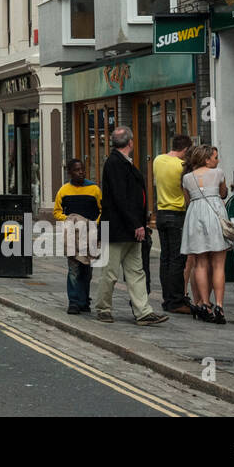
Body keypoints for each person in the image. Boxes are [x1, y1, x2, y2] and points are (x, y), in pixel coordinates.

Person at [97, 127, 167, 326]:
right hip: (117, 229)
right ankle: (103, 309)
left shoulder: (122, 162)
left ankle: (143, 312)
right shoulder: (114, 163)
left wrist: (140, 223)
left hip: (130, 229)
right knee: (109, 273)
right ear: (130, 143)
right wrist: (137, 224)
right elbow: (120, 198)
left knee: (136, 272)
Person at [180, 145, 231, 324]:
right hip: (215, 213)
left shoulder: (187, 178)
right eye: (215, 157)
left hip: (195, 215)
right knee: (219, 265)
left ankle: (205, 304)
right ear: (207, 159)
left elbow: (187, 200)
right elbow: (223, 193)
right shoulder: (218, 173)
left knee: (200, 263)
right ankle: (219, 306)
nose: (217, 160)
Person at [54, 159, 102, 315]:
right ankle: (73, 302)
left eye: (82, 169)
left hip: (90, 234)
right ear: (69, 172)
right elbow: (57, 212)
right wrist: (69, 220)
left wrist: (94, 223)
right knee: (74, 269)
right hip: (73, 235)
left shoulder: (94, 189)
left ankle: (84, 301)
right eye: (76, 170)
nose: (81, 172)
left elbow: (103, 209)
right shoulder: (64, 191)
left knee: (87, 270)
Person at [153, 134, 193, 315]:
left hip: (161, 213)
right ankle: (176, 301)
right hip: (177, 215)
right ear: (185, 150)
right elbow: (186, 193)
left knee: (165, 259)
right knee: (178, 260)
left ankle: (167, 298)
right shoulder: (182, 167)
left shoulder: (158, 160)